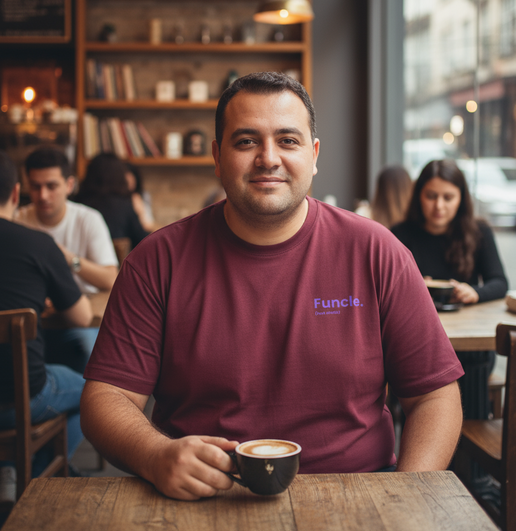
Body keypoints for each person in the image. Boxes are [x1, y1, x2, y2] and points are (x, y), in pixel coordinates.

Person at [81, 72, 463, 502]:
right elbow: (106, 397)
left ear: (314, 154)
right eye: (246, 141)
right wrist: (155, 455)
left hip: (361, 493)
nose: (268, 158)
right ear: (217, 156)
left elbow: (435, 397)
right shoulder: (156, 261)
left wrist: (404, 498)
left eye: (288, 140)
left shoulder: (378, 252)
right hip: (203, 499)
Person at [0, 151, 93, 485]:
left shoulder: (82, 220)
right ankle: (34, 479)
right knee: (97, 394)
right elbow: (82, 316)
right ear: (15, 193)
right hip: (19, 397)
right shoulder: (38, 244)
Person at [391, 158, 508, 419]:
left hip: (468, 343)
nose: (439, 206)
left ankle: (472, 451)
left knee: (474, 361)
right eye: (431, 196)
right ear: (419, 195)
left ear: (461, 198)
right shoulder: (400, 234)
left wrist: (475, 293)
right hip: (417, 339)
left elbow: (499, 282)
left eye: (448, 197)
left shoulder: (478, 232)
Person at [16, 146, 118, 373]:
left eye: (51, 186)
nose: (43, 195)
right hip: (34, 323)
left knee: (87, 348)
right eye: (35, 187)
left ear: (69, 185)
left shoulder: (88, 219)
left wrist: (68, 259)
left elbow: (111, 278)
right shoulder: (18, 220)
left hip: (80, 320)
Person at [73, 152, 148, 250]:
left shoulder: (77, 202)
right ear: (119, 175)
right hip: (118, 262)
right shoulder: (124, 204)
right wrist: (142, 214)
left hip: (82, 262)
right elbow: (141, 240)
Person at [124, 162, 158, 233]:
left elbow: (149, 223)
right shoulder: (121, 202)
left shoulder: (143, 196)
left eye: (132, 178)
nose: (130, 181)